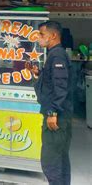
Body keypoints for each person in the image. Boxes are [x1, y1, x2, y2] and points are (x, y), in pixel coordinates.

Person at [29, 21, 73, 185]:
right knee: (60, 158)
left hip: (57, 117)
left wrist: (53, 112)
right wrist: (39, 73)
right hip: (60, 115)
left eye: (42, 34)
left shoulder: (57, 55)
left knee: (51, 161)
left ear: (53, 35)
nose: (39, 38)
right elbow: (54, 80)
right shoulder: (55, 54)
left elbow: (60, 86)